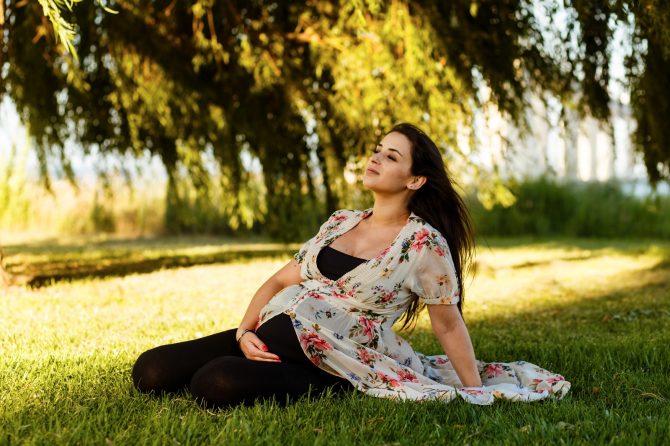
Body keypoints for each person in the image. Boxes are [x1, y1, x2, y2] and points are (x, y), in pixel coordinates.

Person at [132, 122, 571, 408]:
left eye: (392, 156)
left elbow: (449, 324)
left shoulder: (422, 243)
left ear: (415, 180)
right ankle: (255, 355)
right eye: (378, 150)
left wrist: (474, 389)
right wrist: (245, 333)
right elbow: (279, 281)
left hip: (336, 357)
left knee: (214, 384)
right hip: (269, 334)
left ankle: (337, 385)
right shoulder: (340, 221)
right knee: (150, 371)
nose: (375, 158)